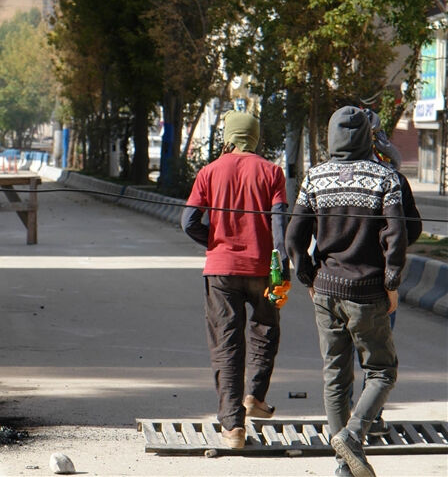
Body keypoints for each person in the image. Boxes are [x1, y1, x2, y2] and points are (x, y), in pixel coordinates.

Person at [286, 106, 407, 477]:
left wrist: (307, 277)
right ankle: (353, 436)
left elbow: (294, 236)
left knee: (335, 375)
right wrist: (392, 283)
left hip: (325, 290)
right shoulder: (386, 178)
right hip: (368, 292)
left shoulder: (315, 178)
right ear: (366, 137)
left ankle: (342, 464)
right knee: (382, 371)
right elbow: (397, 235)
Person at [181, 111, 289, 449]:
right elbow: (280, 223)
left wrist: (214, 242)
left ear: (229, 135)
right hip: (261, 269)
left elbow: (188, 221)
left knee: (226, 344)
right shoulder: (272, 172)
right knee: (265, 331)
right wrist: (281, 265)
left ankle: (233, 428)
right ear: (255, 137)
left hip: (221, 271)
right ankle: (255, 396)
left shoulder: (209, 171)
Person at [350, 109, 423, 437]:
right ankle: (368, 420)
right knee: (377, 355)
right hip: (378, 279)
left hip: (335, 280)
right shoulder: (391, 176)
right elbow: (413, 229)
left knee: (341, 356)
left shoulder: (326, 174)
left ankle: (344, 422)